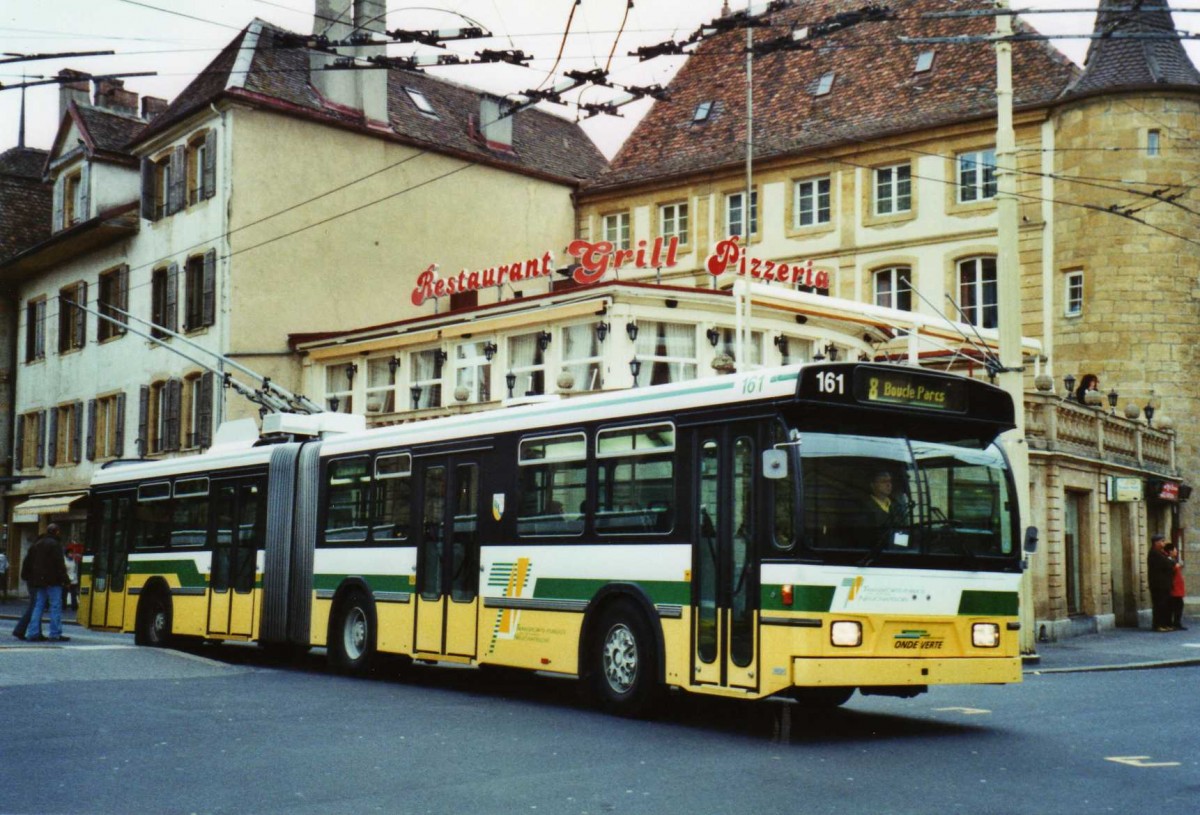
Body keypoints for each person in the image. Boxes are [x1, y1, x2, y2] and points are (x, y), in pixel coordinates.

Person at [19, 523, 71, 642]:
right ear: (57, 532)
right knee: (55, 606)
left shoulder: (37, 544)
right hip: (53, 580)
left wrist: (27, 576)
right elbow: (59, 564)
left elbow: (28, 561)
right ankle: (55, 633)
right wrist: (66, 580)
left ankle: (33, 632)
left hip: (38, 580)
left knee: (38, 606)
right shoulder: (55, 544)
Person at [1147, 534, 1175, 633]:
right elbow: (1168, 564)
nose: (1164, 543)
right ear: (1156, 543)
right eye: (1162, 541)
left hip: (1164, 584)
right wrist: (1171, 559)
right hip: (1158, 585)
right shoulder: (1154, 553)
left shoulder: (1160, 553)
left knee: (1165, 605)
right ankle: (1158, 625)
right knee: (1159, 605)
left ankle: (1164, 624)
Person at [1165, 541, 1187, 631]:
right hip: (1174, 588)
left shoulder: (1172, 561)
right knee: (1176, 606)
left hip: (1177, 588)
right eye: (1175, 550)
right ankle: (1174, 623)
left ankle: (1176, 623)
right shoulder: (1169, 560)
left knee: (1179, 606)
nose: (1176, 551)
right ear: (1170, 551)